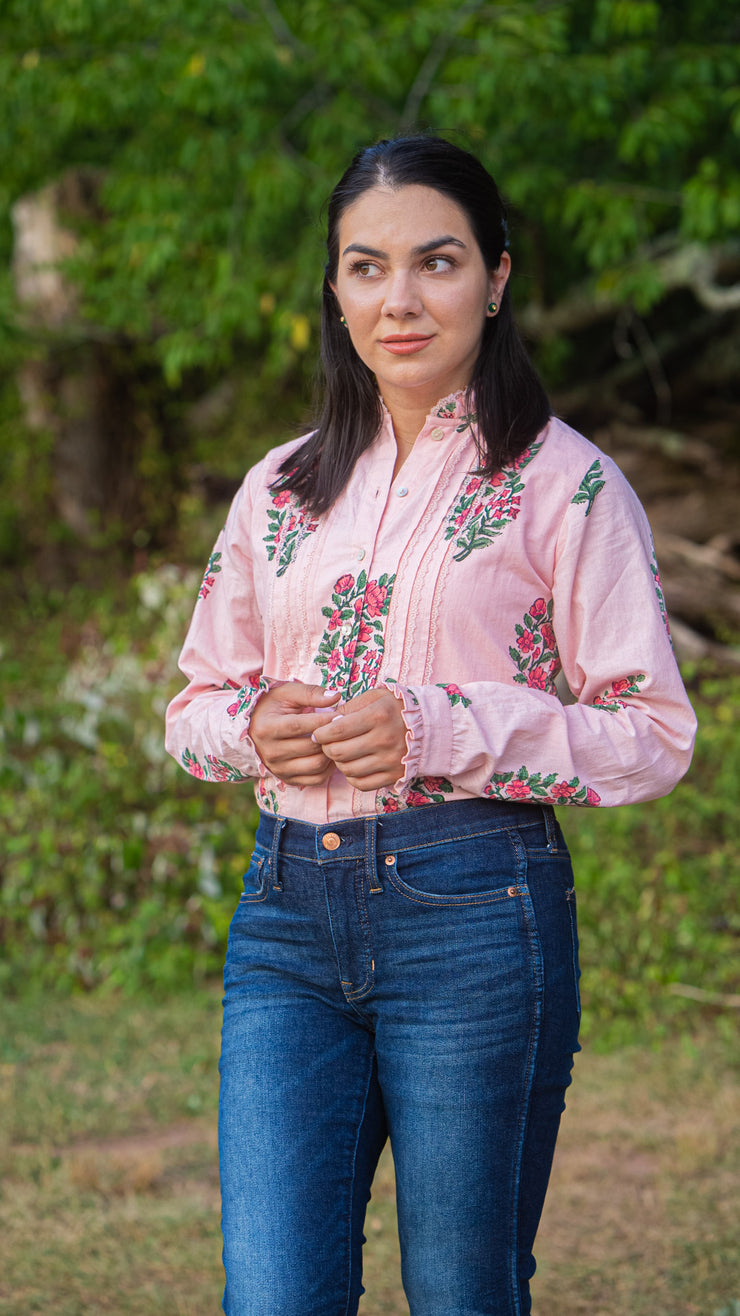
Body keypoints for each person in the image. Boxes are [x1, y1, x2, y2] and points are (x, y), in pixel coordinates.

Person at [165, 135, 696, 1316]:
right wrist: (257, 726)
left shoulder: (568, 486)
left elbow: (652, 731)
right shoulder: (281, 485)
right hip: (285, 918)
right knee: (272, 1294)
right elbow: (192, 704)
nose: (397, 298)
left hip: (472, 915)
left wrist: (443, 725)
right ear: (335, 287)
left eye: (435, 262)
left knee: (460, 1291)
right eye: (365, 267)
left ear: (495, 277)